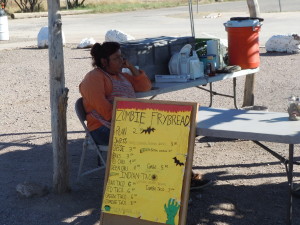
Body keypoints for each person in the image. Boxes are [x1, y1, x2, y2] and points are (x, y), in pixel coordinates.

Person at [79, 41, 211, 190]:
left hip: (127, 123)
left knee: (170, 133)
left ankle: (182, 178)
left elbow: (145, 86)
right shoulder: (94, 78)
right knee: (154, 140)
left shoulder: (120, 76)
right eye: (116, 58)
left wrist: (130, 67)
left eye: (121, 57)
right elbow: (107, 113)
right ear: (104, 61)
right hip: (102, 128)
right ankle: (173, 181)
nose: (121, 61)